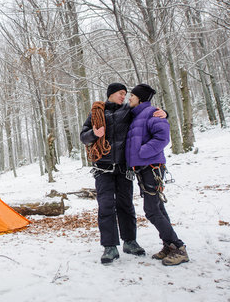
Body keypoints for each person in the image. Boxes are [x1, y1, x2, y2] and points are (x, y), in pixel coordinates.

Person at [80, 83, 165, 265]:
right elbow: (83, 136)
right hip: (102, 169)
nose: (123, 97)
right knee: (106, 206)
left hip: (123, 168)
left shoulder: (128, 111)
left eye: (126, 94)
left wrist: (165, 113)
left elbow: (147, 114)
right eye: (120, 93)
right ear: (110, 94)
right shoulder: (97, 112)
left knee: (126, 205)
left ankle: (130, 241)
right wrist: (94, 134)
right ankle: (109, 246)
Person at [125, 83, 189, 266]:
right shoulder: (136, 115)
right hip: (143, 168)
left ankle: (178, 247)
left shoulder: (152, 113)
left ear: (140, 98)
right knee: (158, 208)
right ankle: (169, 245)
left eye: (132, 96)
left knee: (151, 210)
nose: (130, 98)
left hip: (152, 167)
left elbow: (162, 137)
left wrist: (142, 152)